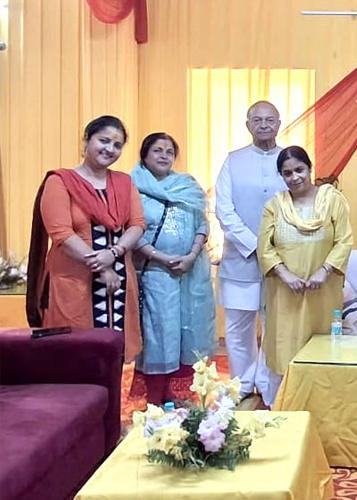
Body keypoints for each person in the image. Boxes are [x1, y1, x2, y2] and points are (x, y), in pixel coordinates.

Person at [26, 115, 145, 362]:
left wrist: (113, 254)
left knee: (114, 356)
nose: (110, 149)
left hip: (119, 282)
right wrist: (103, 269)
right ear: (87, 140)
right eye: (104, 140)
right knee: (73, 357)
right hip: (73, 282)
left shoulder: (124, 182)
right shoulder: (60, 181)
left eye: (117, 145)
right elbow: (61, 233)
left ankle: (109, 402)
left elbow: (136, 225)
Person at [258, 146, 353, 395]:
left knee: (322, 346)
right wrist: (284, 274)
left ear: (310, 168)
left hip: (323, 289)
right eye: (287, 173)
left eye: (299, 170)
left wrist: (325, 270)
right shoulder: (275, 206)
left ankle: (323, 403)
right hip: (286, 291)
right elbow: (265, 248)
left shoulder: (331, 200)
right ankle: (286, 402)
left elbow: (344, 239)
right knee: (286, 346)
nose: (294, 177)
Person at [131, 132, 216, 405]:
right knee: (160, 333)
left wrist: (191, 255)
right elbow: (130, 229)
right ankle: (156, 397)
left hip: (190, 273)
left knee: (186, 330)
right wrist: (160, 258)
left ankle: (177, 394)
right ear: (144, 155)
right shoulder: (132, 187)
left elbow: (202, 224)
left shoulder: (187, 185)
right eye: (157, 150)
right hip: (155, 273)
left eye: (169, 151)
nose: (164, 155)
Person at [214, 100, 287, 405]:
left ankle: (270, 384)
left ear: (279, 123)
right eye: (256, 119)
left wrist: (276, 250)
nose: (263, 124)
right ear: (247, 125)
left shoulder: (290, 159)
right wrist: (256, 246)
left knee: (276, 324)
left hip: (283, 261)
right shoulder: (233, 160)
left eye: (269, 119)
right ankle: (242, 382)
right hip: (240, 258)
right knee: (238, 325)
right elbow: (224, 209)